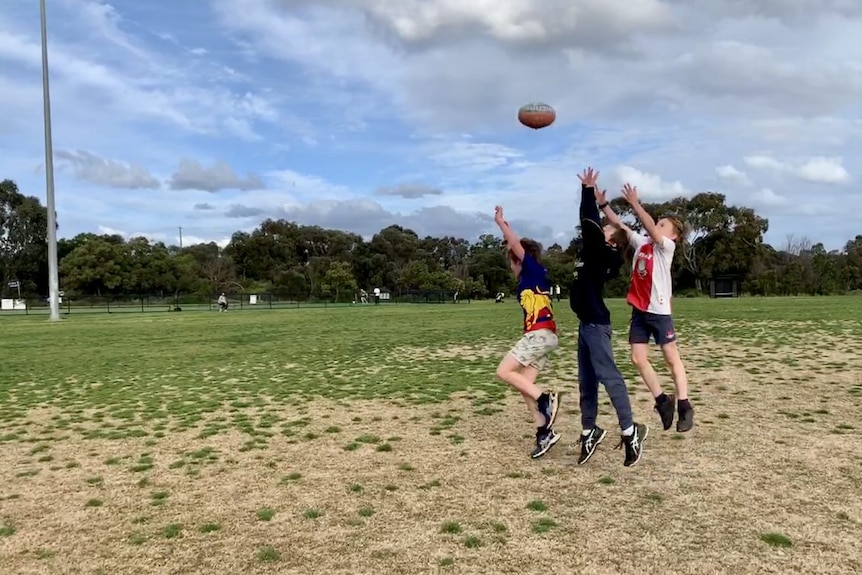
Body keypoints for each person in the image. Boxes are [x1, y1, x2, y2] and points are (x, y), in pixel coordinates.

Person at [570, 168, 649, 467]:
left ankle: (631, 432)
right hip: (586, 324)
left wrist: (588, 192)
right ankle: (590, 431)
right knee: (586, 382)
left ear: (612, 242)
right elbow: (595, 226)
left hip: (595, 324)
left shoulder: (601, 251)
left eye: (605, 231)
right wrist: (603, 205)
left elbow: (588, 221)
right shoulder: (598, 250)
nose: (599, 230)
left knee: (609, 378)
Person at [601, 183, 694, 432]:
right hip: (640, 312)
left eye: (664, 225)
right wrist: (603, 204)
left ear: (673, 235)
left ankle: (684, 405)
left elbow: (651, 229)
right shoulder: (642, 244)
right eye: (659, 223)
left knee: (671, 359)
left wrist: (635, 204)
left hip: (660, 313)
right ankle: (663, 401)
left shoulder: (667, 248)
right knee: (637, 358)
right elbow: (620, 225)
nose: (658, 227)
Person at [493, 205, 561, 459]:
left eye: (511, 260)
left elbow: (513, 243)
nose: (510, 266)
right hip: (546, 336)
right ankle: (544, 432)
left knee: (504, 372)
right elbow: (511, 241)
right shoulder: (531, 277)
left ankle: (546, 399)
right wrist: (506, 229)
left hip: (539, 334)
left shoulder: (531, 269)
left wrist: (501, 223)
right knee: (524, 385)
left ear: (518, 259)